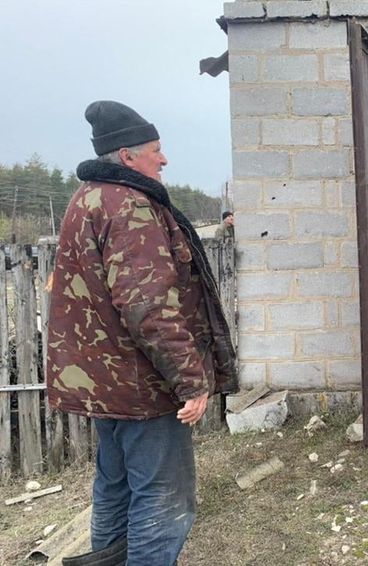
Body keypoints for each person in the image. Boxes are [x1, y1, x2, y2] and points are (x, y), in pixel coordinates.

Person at [47, 100, 238, 565]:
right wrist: (190, 380)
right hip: (141, 385)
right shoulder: (130, 206)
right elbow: (149, 306)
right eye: (156, 149)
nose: (164, 158)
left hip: (104, 383)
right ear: (128, 156)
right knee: (163, 497)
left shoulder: (87, 197)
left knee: (114, 486)